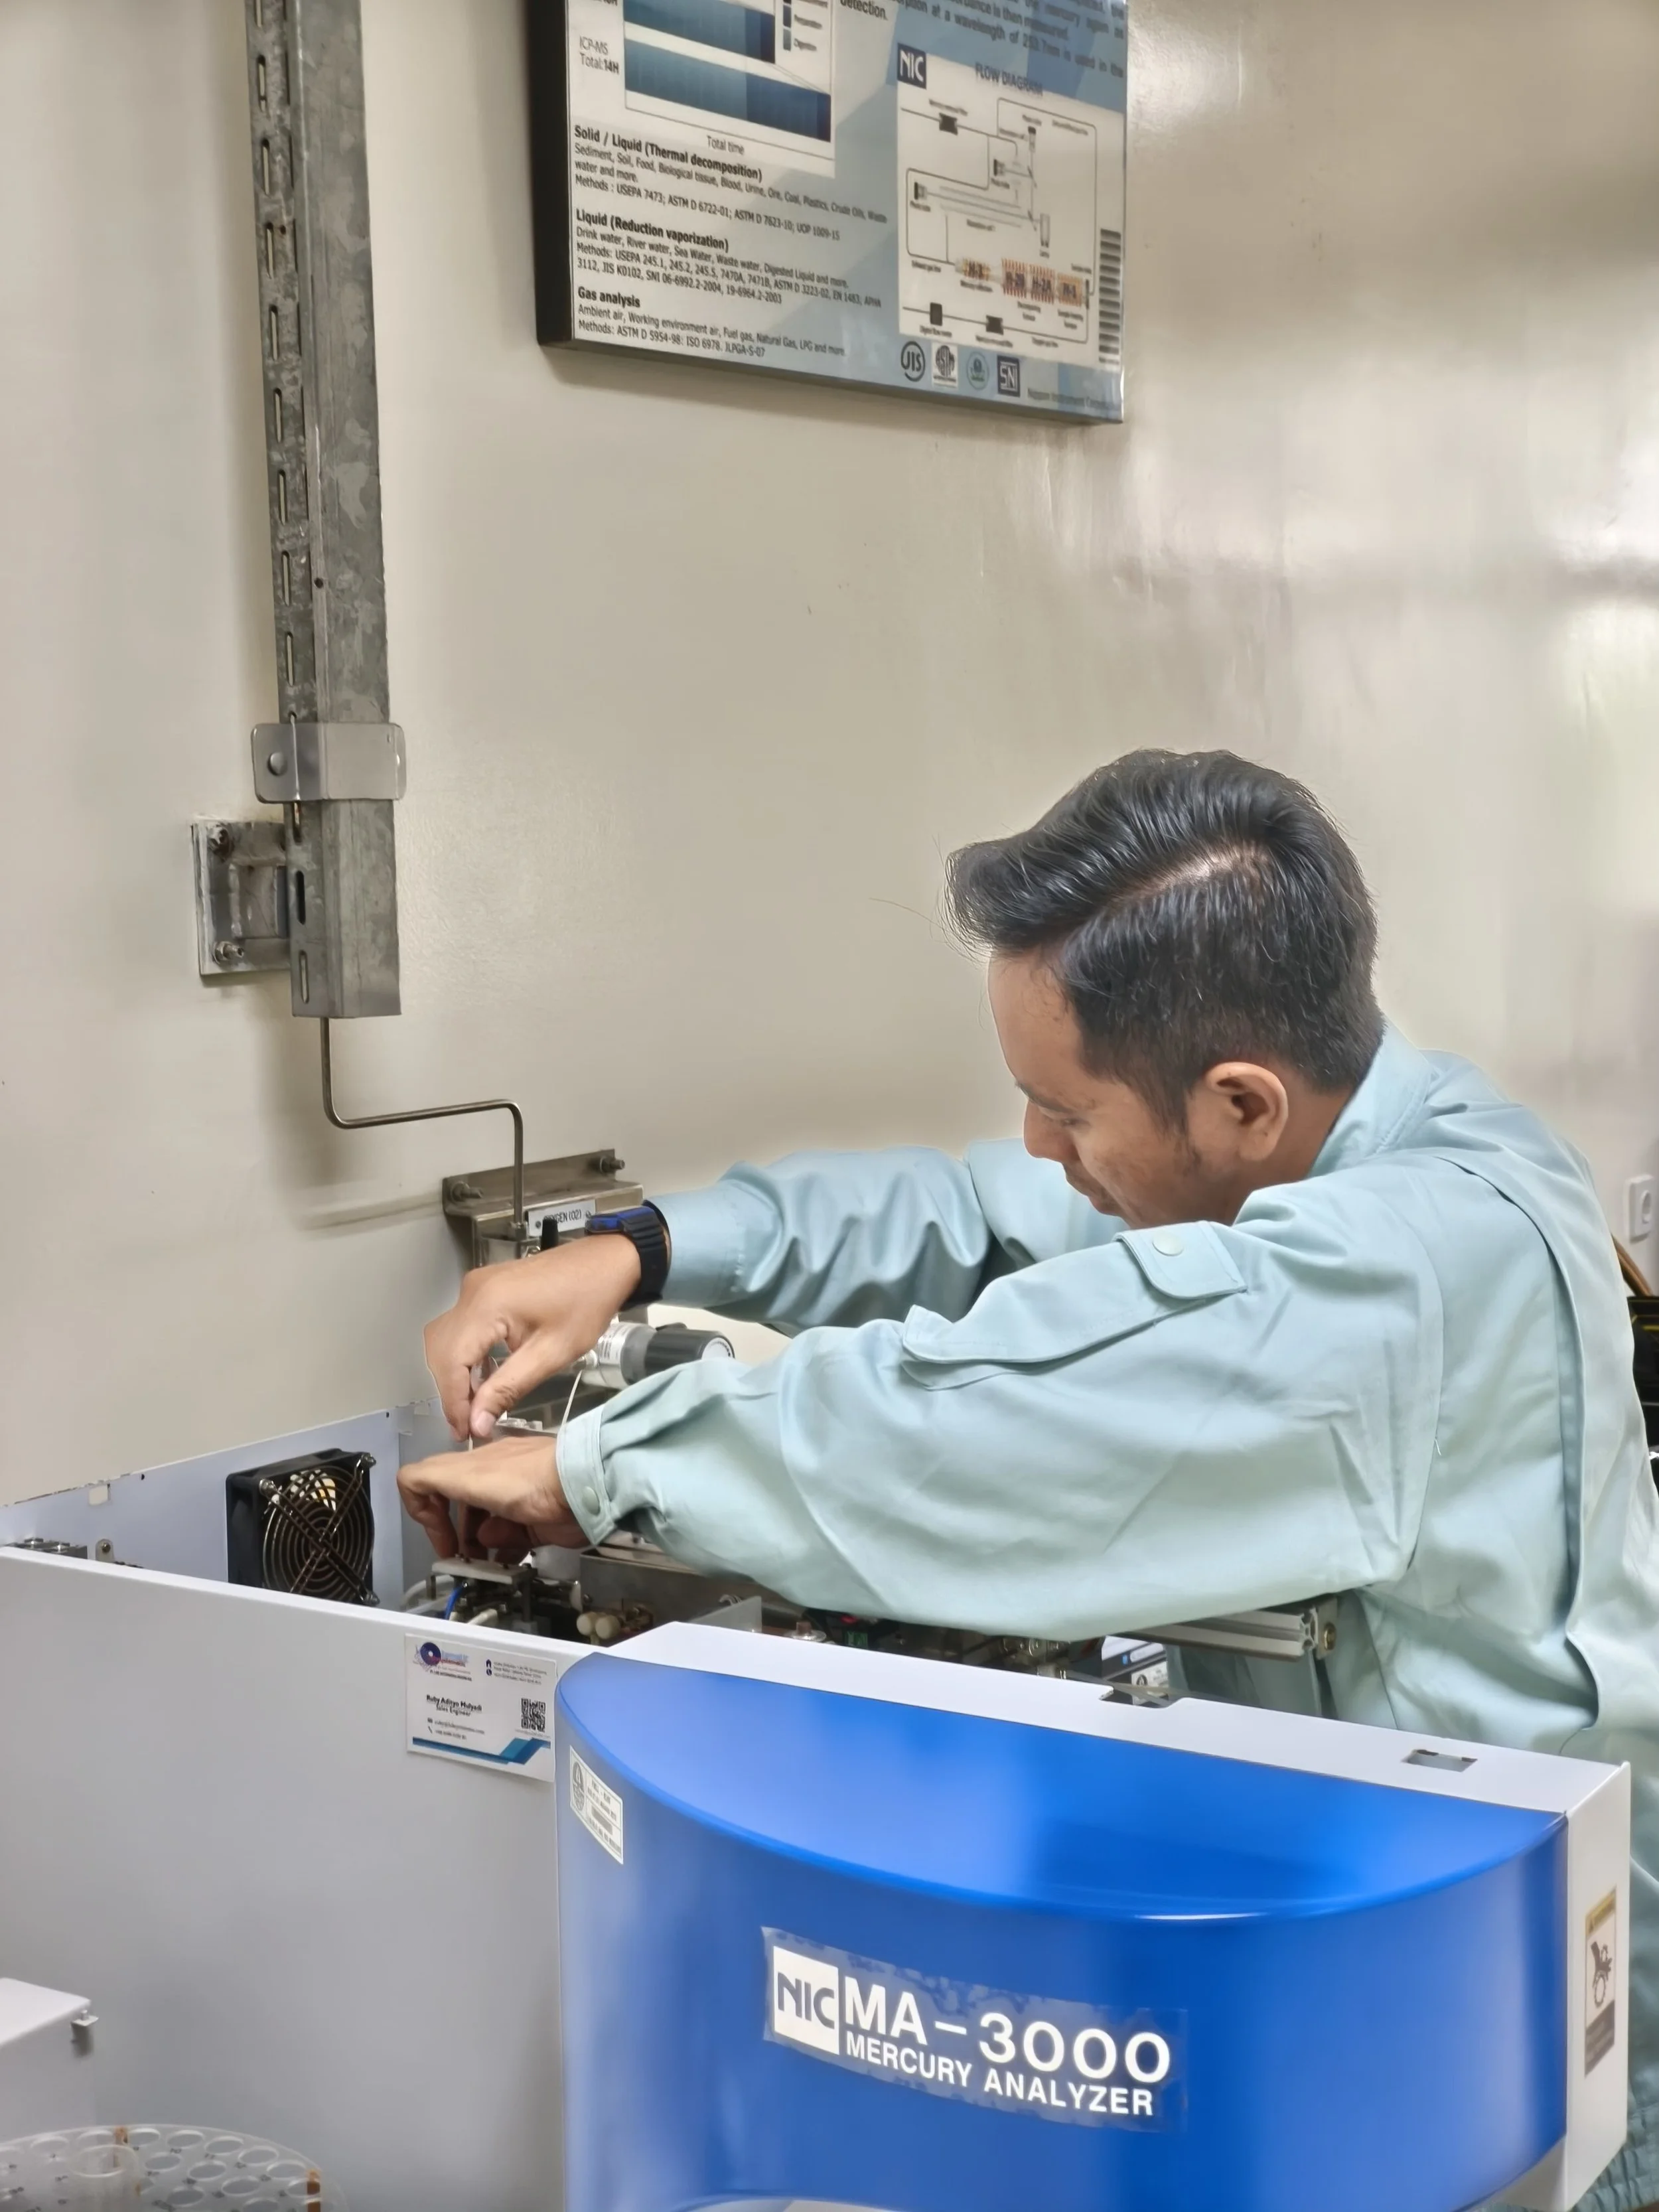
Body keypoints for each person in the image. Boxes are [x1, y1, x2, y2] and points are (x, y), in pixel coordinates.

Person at [399, 749, 1659, 2212]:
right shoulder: (1362, 1132)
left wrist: (600, 1464)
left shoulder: (1401, 1269)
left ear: (1239, 1102)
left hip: (1515, 2025)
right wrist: (640, 1244)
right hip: (1356, 1946)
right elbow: (973, 1215)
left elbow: (976, 1431)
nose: (1033, 1146)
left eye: (1064, 1111)